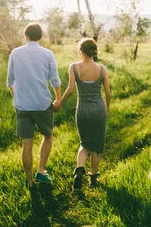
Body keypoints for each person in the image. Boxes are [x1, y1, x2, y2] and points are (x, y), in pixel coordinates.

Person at [6, 23, 62, 190]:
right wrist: (58, 99)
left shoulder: (15, 53)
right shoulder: (48, 54)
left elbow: (10, 81)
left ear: (26, 36)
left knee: (27, 143)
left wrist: (17, 97)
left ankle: (30, 181)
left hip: (22, 105)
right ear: (40, 37)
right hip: (42, 103)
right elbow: (55, 80)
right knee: (47, 135)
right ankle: (41, 170)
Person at [55, 37, 111, 189]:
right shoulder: (102, 69)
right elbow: (108, 93)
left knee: (84, 144)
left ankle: (79, 170)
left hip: (83, 111)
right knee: (97, 146)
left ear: (81, 52)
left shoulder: (74, 67)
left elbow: (71, 90)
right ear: (94, 51)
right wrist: (107, 109)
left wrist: (60, 103)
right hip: (98, 110)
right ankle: (93, 179)